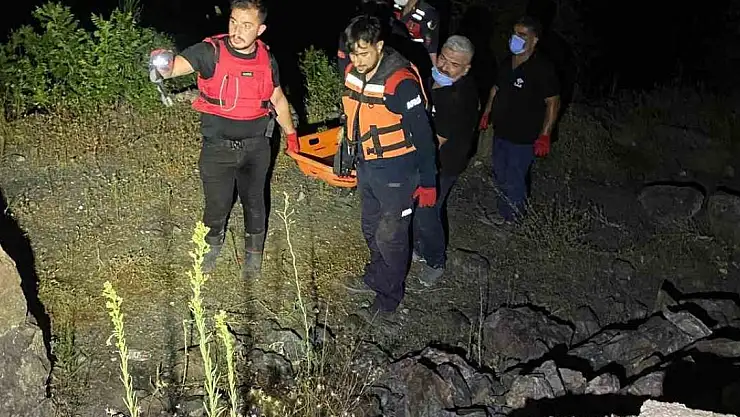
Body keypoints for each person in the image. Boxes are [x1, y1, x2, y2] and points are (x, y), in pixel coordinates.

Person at [148, 0, 298, 278]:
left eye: (246, 25)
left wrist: (291, 134)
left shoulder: (267, 58)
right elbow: (176, 67)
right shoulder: (210, 52)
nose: (237, 31)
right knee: (216, 205)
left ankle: (253, 256)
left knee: (255, 203)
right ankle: (210, 249)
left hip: (257, 147)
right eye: (233, 22)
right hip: (217, 148)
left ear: (260, 30)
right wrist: (163, 64)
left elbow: (277, 98)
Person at [340, 15, 438, 316]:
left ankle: (388, 300)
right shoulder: (353, 71)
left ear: (380, 46)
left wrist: (429, 182)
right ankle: (376, 276)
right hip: (367, 165)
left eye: (364, 53)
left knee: (391, 236)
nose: (357, 60)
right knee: (371, 227)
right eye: (353, 53)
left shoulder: (401, 82)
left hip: (398, 170)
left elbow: (423, 136)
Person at [412, 35, 479, 286]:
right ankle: (418, 247)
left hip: (444, 163)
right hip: (429, 155)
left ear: (466, 69)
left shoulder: (458, 97)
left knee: (428, 211)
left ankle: (435, 261)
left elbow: (436, 142)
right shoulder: (434, 80)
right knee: (419, 207)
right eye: (443, 58)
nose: (444, 66)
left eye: (453, 64)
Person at [478, 16, 560, 223]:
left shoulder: (542, 68)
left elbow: (553, 102)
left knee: (515, 178)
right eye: (515, 33)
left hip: (524, 136)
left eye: (522, 35)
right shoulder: (508, 62)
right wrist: (486, 113)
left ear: (534, 39)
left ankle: (513, 220)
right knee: (500, 173)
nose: (516, 38)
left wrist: (545, 135)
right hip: (501, 130)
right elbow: (495, 89)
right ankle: (502, 212)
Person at [392, 0, 440, 67]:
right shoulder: (394, 5)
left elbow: (431, 50)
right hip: (391, 55)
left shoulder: (428, 13)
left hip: (412, 62)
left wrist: (433, 70)